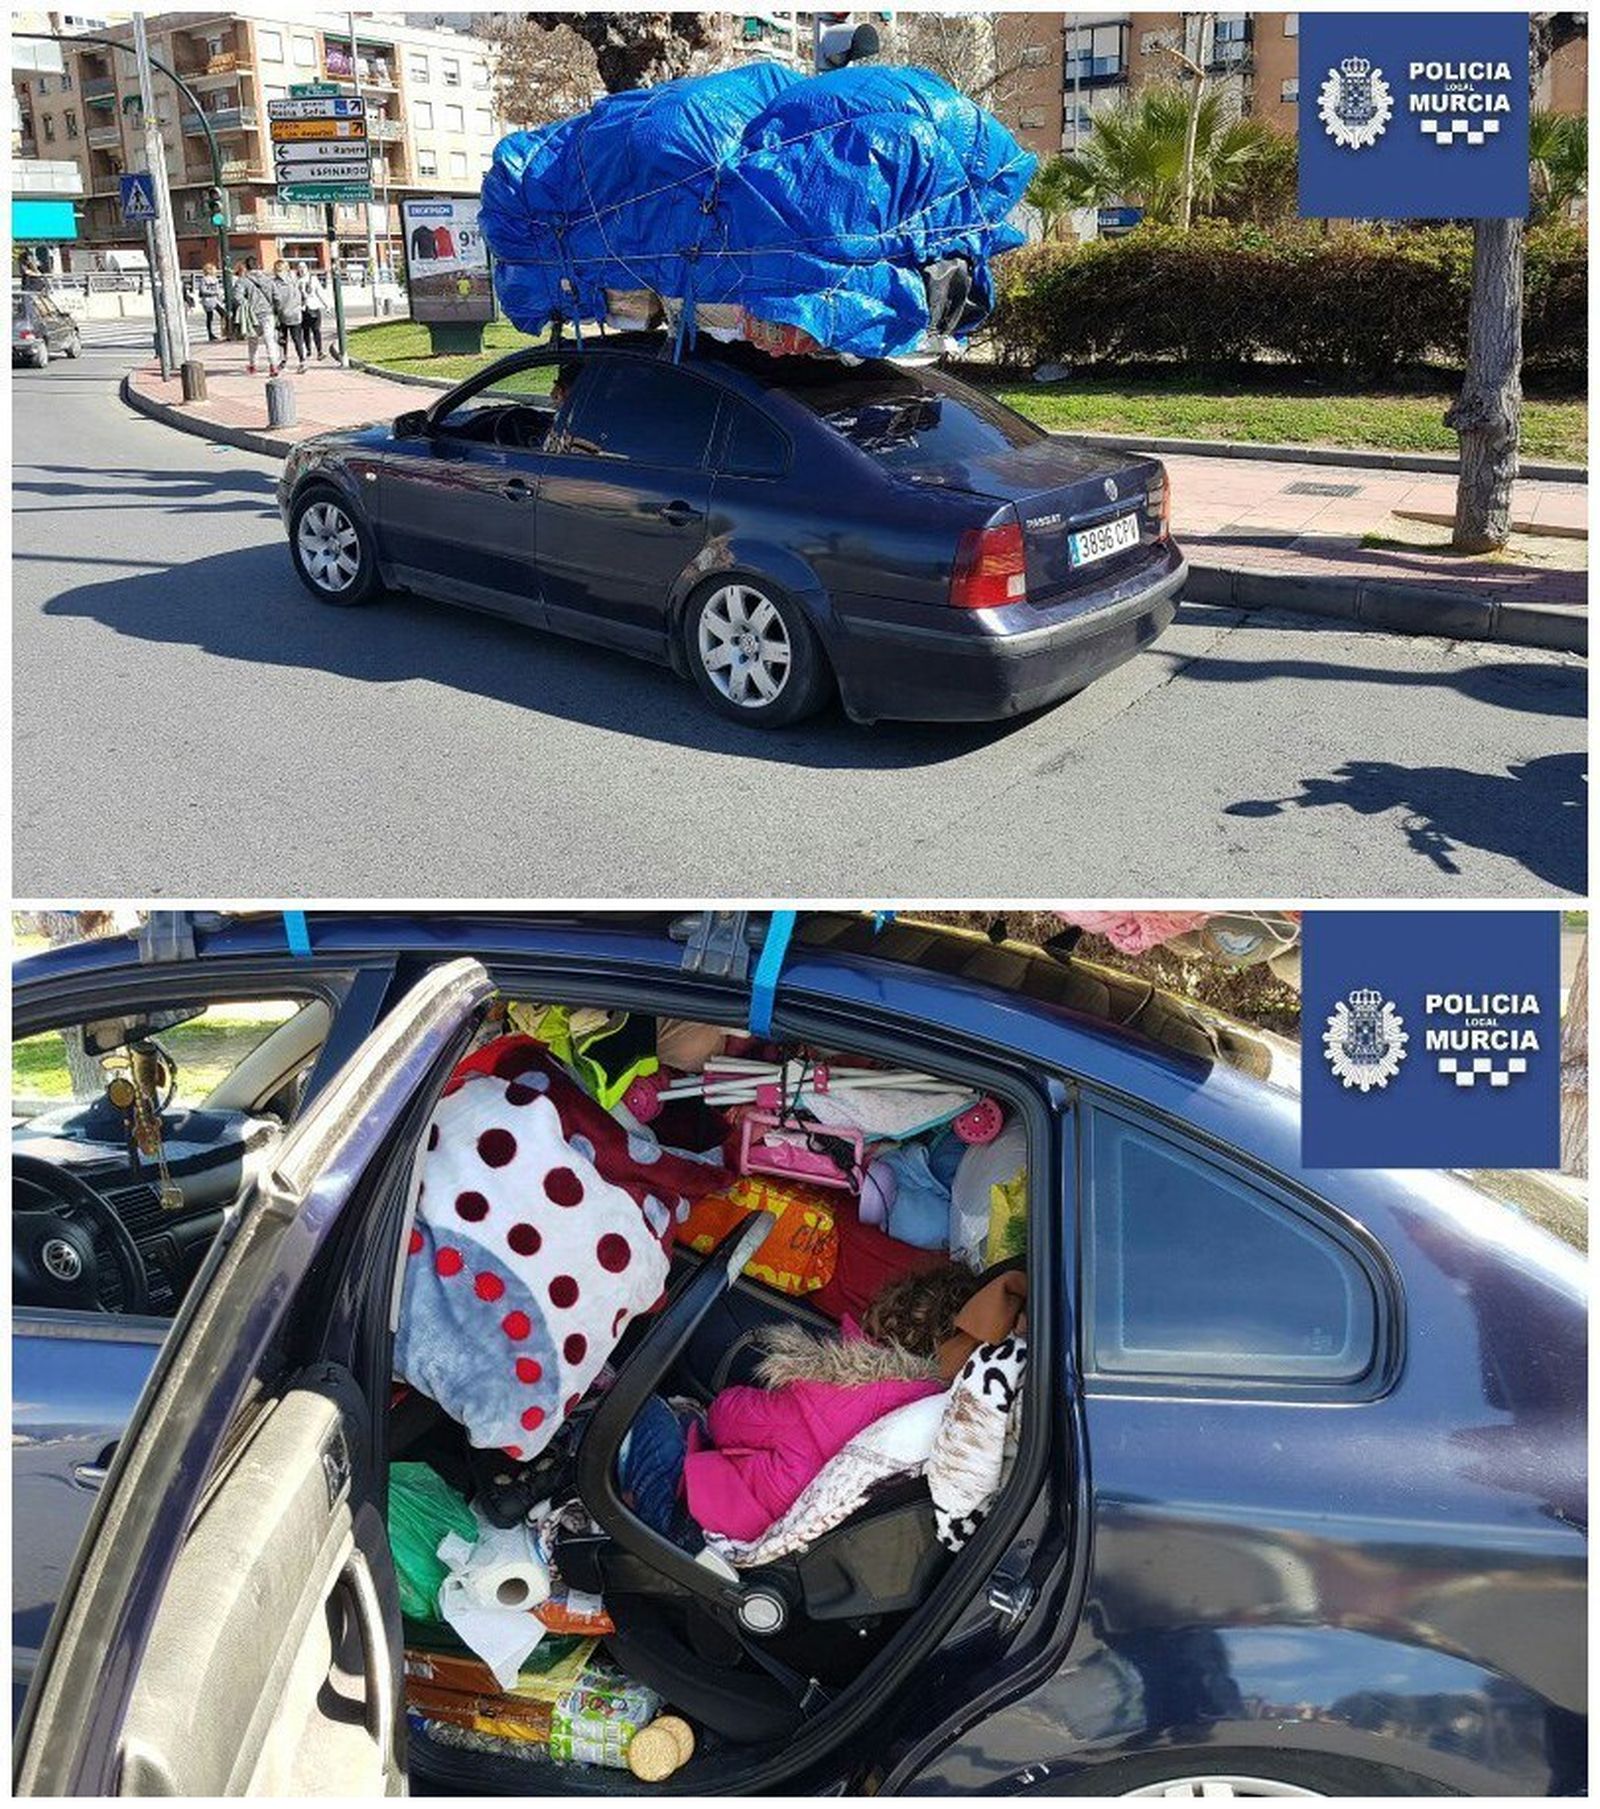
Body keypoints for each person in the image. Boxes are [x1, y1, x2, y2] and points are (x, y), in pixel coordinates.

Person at [236, 257, 281, 377]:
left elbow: (237, 296)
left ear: (246, 266)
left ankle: (253, 366)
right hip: (268, 313)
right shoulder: (268, 280)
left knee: (253, 341)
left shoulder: (243, 280)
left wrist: (247, 304)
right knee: (270, 340)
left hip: (252, 315)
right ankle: (273, 366)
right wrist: (276, 309)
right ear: (259, 266)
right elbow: (277, 297)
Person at [271, 258, 307, 374]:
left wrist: (276, 310)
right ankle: (302, 361)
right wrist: (300, 306)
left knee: (282, 340)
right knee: (297, 339)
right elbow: (301, 296)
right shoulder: (294, 280)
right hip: (295, 314)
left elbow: (276, 300)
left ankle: (283, 361)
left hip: (282, 315)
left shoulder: (274, 283)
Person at [296, 262, 331, 361]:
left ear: (307, 268)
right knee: (305, 331)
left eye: (304, 267)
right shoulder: (296, 281)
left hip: (314, 307)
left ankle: (320, 351)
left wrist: (327, 305)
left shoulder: (313, 279)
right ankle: (308, 350)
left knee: (316, 330)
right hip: (302, 309)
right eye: (300, 268)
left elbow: (320, 292)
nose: (302, 270)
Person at [196, 262, 225, 342]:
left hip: (215, 300)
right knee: (210, 317)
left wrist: (220, 297)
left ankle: (223, 331)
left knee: (222, 314)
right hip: (208, 300)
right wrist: (213, 292)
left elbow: (218, 289)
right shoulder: (204, 279)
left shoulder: (215, 279)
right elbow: (203, 290)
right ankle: (210, 334)